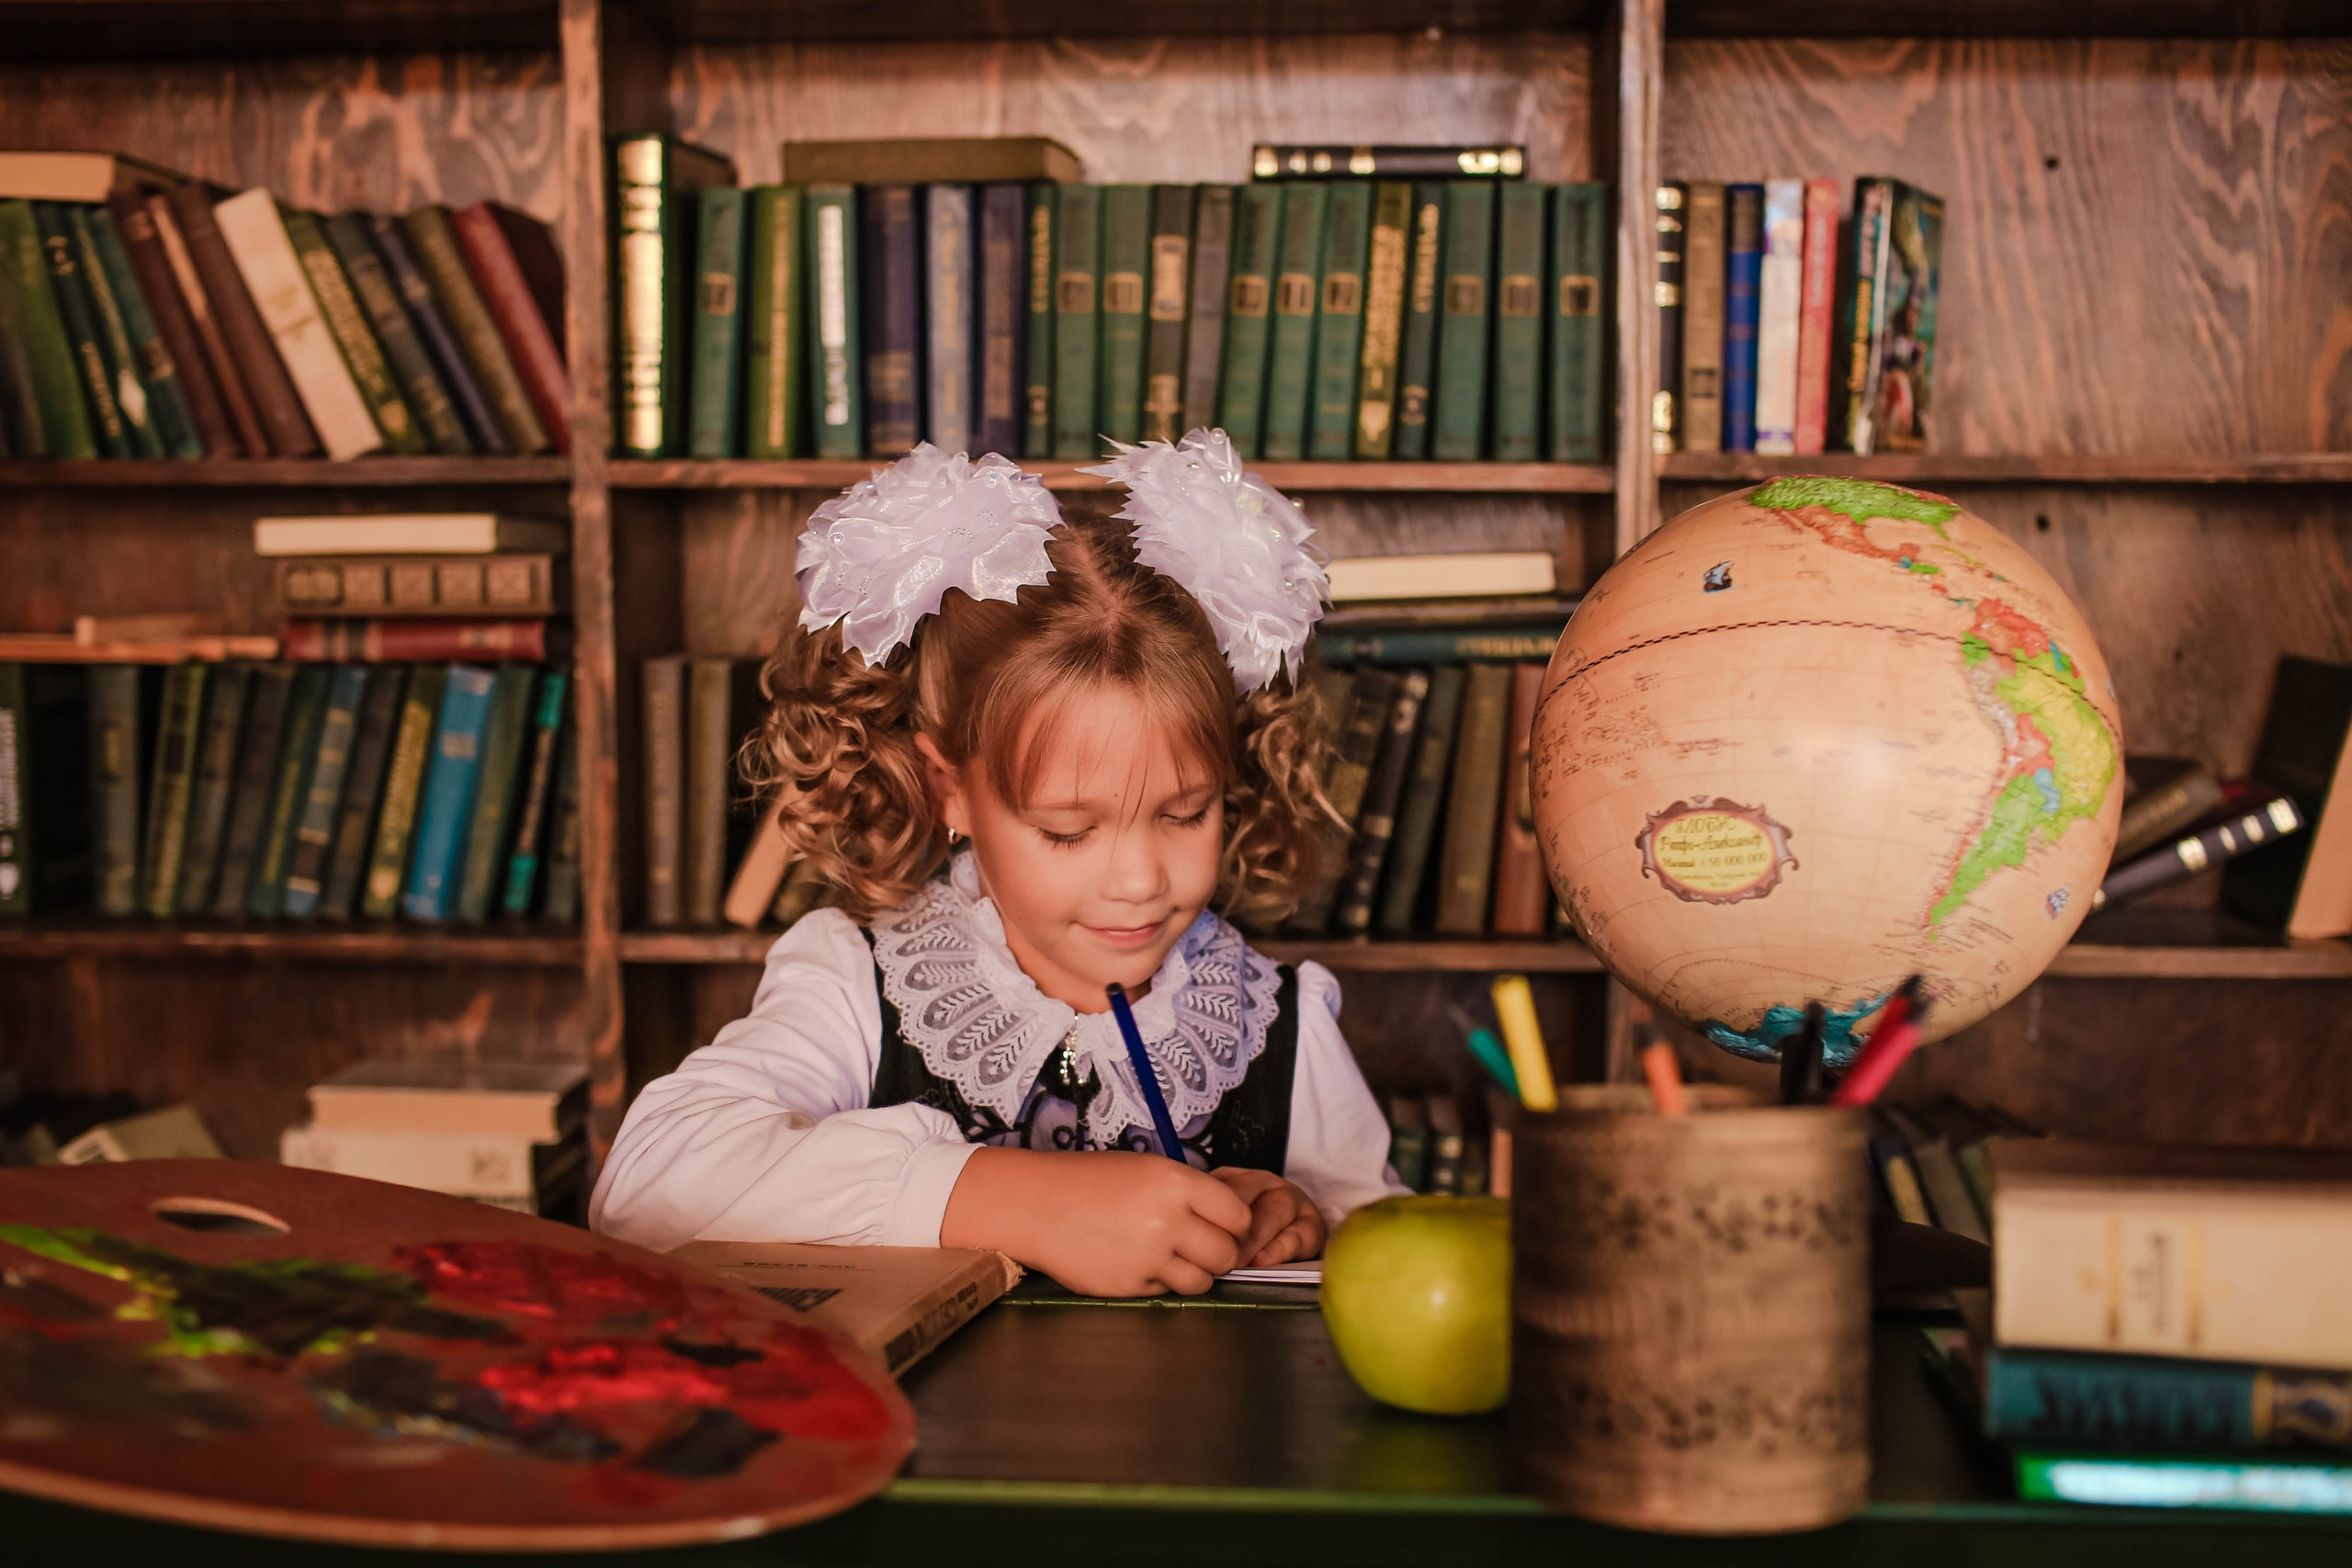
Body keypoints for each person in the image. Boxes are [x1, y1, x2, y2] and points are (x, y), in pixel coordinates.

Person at [592, 431, 1407, 1297]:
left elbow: (1385, 1239)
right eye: (1068, 830)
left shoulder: (1282, 1023)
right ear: (951, 788)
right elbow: (644, 1190)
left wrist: (1305, 1220)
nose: (1140, 880)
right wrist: (1002, 1200)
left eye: (1185, 813)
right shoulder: (853, 985)